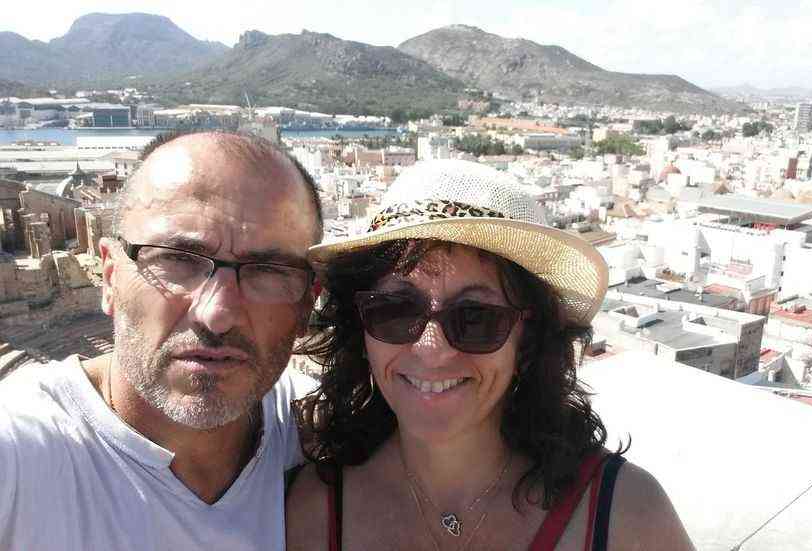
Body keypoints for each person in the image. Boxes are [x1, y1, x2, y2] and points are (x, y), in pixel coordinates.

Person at [287, 160, 693, 550]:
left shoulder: (627, 518)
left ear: (528, 339)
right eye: (395, 311)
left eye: (475, 318)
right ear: (360, 329)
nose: (432, 349)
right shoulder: (308, 516)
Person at [0, 131, 324, 550]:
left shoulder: (319, 434)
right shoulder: (17, 453)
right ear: (110, 278)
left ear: (307, 304)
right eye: (177, 259)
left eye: (267, 271)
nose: (216, 314)